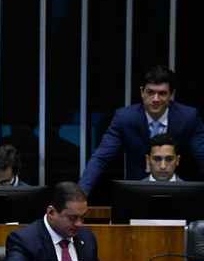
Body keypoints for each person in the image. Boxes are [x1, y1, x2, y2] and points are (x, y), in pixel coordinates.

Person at [79, 65, 204, 194]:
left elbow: (202, 155)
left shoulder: (188, 117)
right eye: (150, 92)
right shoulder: (124, 118)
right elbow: (101, 158)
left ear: (172, 94)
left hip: (179, 192)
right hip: (136, 192)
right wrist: (80, 194)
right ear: (142, 92)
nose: (155, 99)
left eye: (162, 93)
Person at [3, 181, 133, 261]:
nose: (79, 224)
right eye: (72, 218)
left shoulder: (86, 237)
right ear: (51, 212)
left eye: (82, 217)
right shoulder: (24, 239)